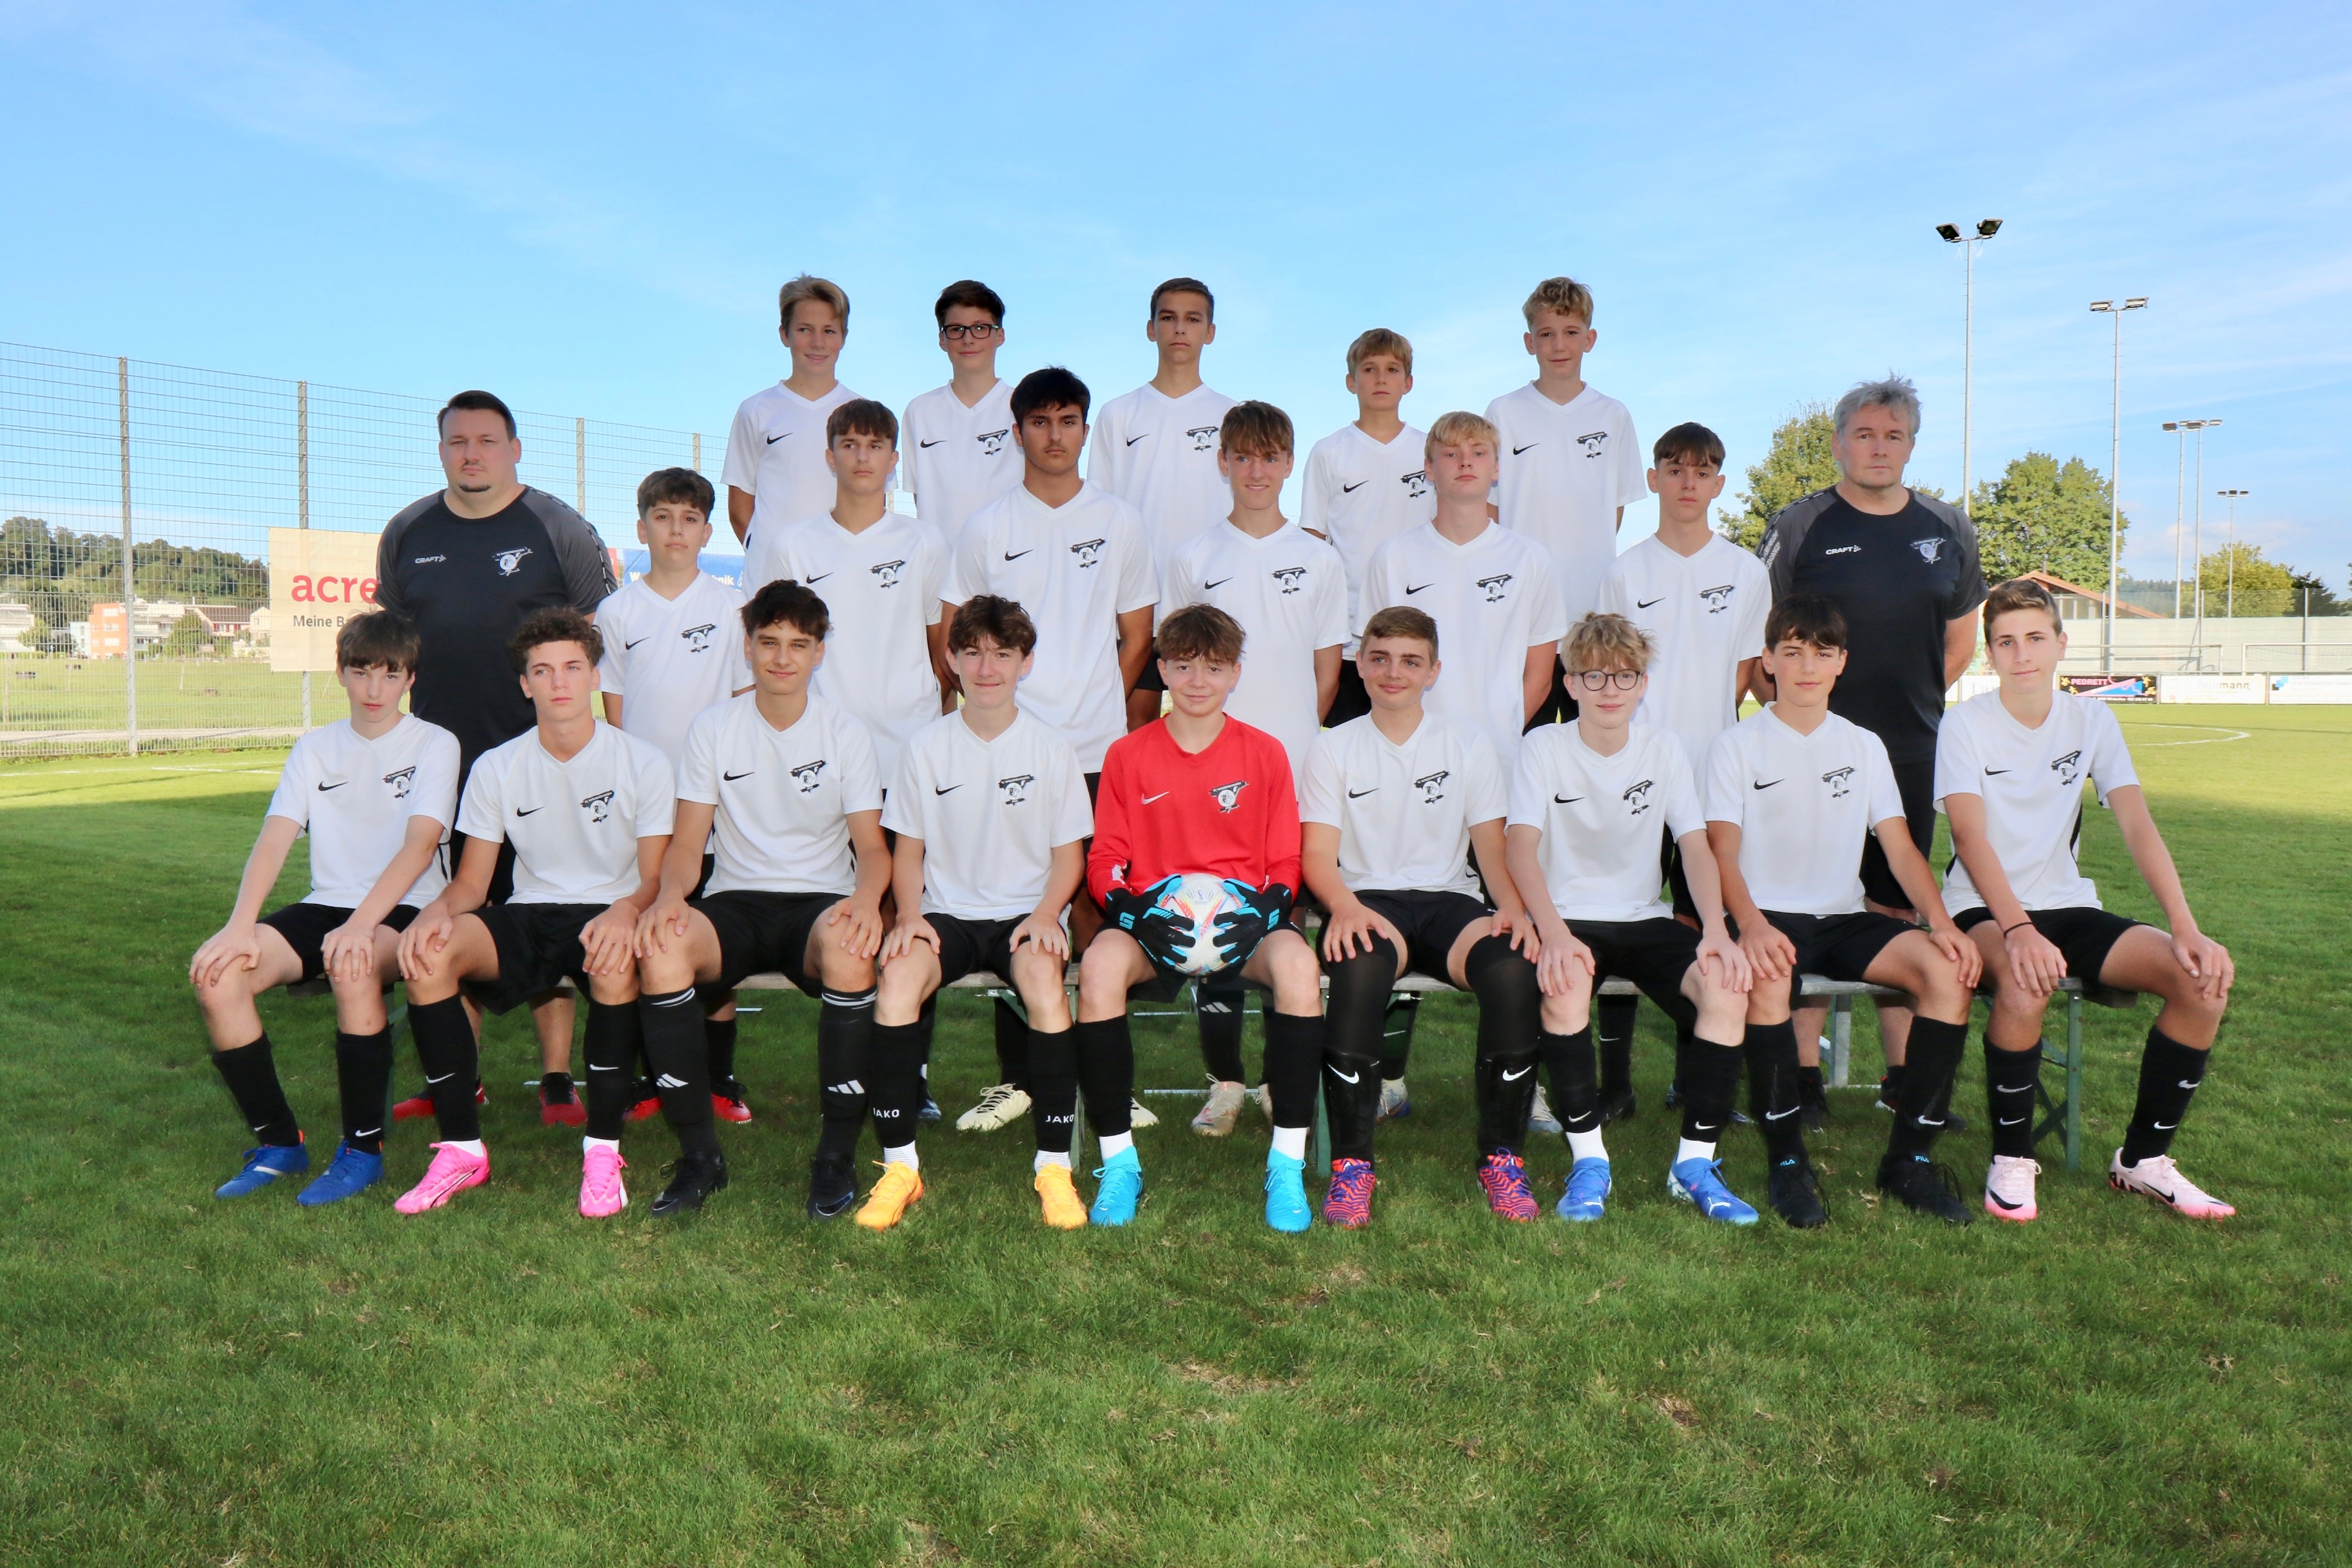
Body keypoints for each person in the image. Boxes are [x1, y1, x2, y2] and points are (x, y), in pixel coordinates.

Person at [1939, 577, 2236, 1222]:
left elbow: (2137, 824)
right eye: (2006, 641)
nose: (2022, 654)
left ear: (2061, 643)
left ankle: (2143, 1161)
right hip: (1982, 906)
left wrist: (2185, 926)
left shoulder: (2092, 719)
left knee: (2201, 981)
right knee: (2027, 980)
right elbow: (1968, 836)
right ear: (1989, 652)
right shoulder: (1964, 723)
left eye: (2035, 638)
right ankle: (2012, 1157)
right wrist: (2018, 930)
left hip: (2069, 906)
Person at [1704, 594, 1983, 1229]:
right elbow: (1722, 852)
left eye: (1821, 653)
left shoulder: (1862, 745)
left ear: (1841, 663)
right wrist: (1752, 925)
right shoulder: (1736, 746)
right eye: (1793, 652)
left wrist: (1941, 923)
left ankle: (1909, 1161)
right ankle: (1787, 1162)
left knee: (1948, 972)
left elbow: (1900, 848)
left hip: (1843, 916)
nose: (1807, 666)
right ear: (1768, 660)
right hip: (1768, 915)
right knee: (1768, 977)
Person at [375, 389, 616, 1124]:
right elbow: (394, 645)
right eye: (458, 442)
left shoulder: (556, 526)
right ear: (441, 451)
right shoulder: (407, 531)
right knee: (453, 910)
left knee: (546, 904)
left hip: (539, 762)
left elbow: (596, 634)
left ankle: (556, 1078)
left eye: (486, 440)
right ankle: (459, 1076)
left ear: (514, 449)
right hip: (443, 765)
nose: (471, 454)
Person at [392, 608, 674, 1217]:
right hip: (531, 910)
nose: (559, 682)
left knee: (611, 963)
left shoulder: (643, 761)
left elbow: (657, 877)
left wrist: (626, 911)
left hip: (611, 911)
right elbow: (472, 883)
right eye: (542, 671)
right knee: (430, 956)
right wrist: (434, 913)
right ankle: (462, 1150)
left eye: (572, 667)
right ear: (525, 684)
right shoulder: (498, 765)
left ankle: (602, 1151)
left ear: (595, 675)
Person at [1758, 375, 1986, 1121]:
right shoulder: (1801, 524)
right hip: (1806, 754)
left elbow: (1961, 638)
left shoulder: (1948, 527)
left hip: (1911, 751)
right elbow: (1760, 639)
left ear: (1912, 445)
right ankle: (1802, 1077)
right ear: (1838, 443)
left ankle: (1900, 1075)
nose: (1879, 447)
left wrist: (1910, 705)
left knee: (1894, 908)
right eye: (1865, 434)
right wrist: (1801, 724)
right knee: (1808, 904)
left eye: (1893, 435)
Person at [942, 367, 1158, 1134]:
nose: (1054, 434)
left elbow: (1138, 635)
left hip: (1095, 746)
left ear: (1085, 430)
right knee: (1018, 906)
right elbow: (955, 633)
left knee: (1095, 910)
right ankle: (1020, 1080)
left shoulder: (1121, 521)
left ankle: (1104, 1080)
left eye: (1068, 420)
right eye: (1040, 421)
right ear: (1018, 431)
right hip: (1007, 745)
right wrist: (1005, 714)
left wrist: (1092, 704)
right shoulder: (986, 527)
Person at [632, 580, 890, 1219]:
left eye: (798, 645)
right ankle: (700, 1157)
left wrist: (866, 900)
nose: (782, 657)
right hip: (736, 902)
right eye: (769, 642)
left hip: (819, 903)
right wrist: (670, 895)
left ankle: (835, 1157)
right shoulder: (714, 727)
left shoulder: (847, 733)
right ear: (747, 647)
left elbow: (873, 848)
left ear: (819, 653)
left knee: (851, 949)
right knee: (662, 950)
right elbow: (687, 844)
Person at [190, 611, 458, 1206]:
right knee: (217, 976)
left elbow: (420, 846)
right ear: (340, 673)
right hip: (327, 905)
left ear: (410, 678)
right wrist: (239, 926)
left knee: (352, 964)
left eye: (390, 675)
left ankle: (362, 1152)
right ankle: (279, 1144)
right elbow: (275, 838)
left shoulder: (436, 743)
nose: (374, 689)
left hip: (407, 907)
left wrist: (362, 925)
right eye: (361, 672)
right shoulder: (315, 748)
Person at [1504, 613, 1758, 1225]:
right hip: (1568, 918)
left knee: (1726, 988)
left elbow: (1694, 844)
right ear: (1571, 684)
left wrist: (1716, 931)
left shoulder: (1663, 748)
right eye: (1594, 676)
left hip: (1645, 919)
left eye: (1624, 676)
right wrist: (1553, 933)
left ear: (1644, 684)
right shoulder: (1543, 746)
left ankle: (1694, 1165)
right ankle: (1590, 1161)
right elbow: (1519, 846)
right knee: (1564, 987)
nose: (1609, 689)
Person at [1079, 604, 1323, 1232]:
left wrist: (1267, 909)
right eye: (1183, 666)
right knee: (1100, 968)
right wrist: (1131, 911)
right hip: (1157, 921)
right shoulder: (1128, 754)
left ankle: (1287, 1166)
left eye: (1213, 668)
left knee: (1299, 967)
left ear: (1236, 673)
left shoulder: (1265, 753)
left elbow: (1285, 859)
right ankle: (1119, 1163)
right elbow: (1105, 858)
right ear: (1161, 669)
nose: (1196, 681)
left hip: (1243, 922)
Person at [1299, 605, 1542, 1227]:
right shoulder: (1332, 747)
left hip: (1449, 903)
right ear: (1359, 664)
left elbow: (1491, 848)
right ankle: (1353, 1167)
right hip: (1368, 901)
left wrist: (1513, 911)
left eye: (1411, 661)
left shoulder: (1467, 742)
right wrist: (1343, 907)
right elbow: (1317, 857)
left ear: (1433, 671)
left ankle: (1503, 1159)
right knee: (1358, 968)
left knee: (1512, 968)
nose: (1394, 672)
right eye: (1380, 658)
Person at [868, 597, 1096, 1230]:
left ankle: (1055, 1168)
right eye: (972, 652)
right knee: (897, 982)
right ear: (951, 659)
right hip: (945, 914)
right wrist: (908, 915)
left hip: (1025, 913)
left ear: (1026, 662)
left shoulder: (1052, 748)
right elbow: (907, 850)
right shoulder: (924, 747)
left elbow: (1069, 856)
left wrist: (1048, 914)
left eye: (1002, 653)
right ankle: (900, 1168)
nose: (986, 667)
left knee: (1045, 984)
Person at [1159, 401, 1346, 1135]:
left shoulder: (1320, 558)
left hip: (1288, 765)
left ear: (1288, 464)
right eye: (1243, 457)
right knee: (1209, 908)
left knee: (1280, 921)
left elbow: (1326, 673)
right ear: (1223, 462)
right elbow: (1179, 663)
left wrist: (1285, 742)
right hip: (1207, 766)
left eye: (1270, 457)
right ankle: (1226, 1081)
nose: (1256, 471)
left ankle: (1276, 1078)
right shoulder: (1193, 557)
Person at [1592, 422, 1770, 1122]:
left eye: (1702, 471)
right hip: (1632, 773)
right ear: (1654, 479)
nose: (1687, 482)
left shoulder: (1746, 572)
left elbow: (1743, 673)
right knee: (1624, 914)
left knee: (1704, 924)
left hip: (1710, 778)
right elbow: (1610, 669)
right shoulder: (1625, 571)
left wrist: (1704, 740)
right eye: (1674, 468)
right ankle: (1614, 1084)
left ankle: (1695, 1079)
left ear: (1719, 483)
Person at [596, 467, 754, 1119]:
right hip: (645, 807)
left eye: (690, 519)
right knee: (644, 932)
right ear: (642, 528)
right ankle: (651, 1078)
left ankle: (718, 1077)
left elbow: (745, 701)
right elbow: (615, 712)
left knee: (706, 935)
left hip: (712, 804)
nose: (676, 530)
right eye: (663, 517)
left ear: (708, 532)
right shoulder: (617, 612)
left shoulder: (732, 607)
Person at [745, 398, 954, 786]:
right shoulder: (792, 545)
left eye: (875, 446)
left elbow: (941, 651)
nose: (862, 457)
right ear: (831, 457)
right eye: (849, 444)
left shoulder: (926, 542)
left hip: (907, 751)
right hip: (819, 752)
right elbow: (774, 651)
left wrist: (917, 714)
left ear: (893, 460)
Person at [1358, 411, 1566, 782]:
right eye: (1451, 453)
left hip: (1499, 761)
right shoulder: (1392, 558)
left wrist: (1499, 736)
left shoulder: (1530, 559)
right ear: (1429, 468)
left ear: (1496, 468)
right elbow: (1375, 666)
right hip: (1406, 761)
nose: (1466, 462)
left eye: (1478, 453)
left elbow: (1539, 675)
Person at [1485, 277, 1646, 715]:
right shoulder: (1503, 412)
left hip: (1589, 615)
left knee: (1590, 740)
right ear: (1529, 342)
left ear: (1589, 339)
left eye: (1571, 332)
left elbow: (1614, 510)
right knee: (1520, 737)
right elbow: (1490, 509)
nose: (1559, 345)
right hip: (1522, 612)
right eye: (1546, 334)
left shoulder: (1613, 415)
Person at [1088, 277, 1237, 731]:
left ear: (1210, 331)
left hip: (1210, 593)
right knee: (1133, 730)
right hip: (1136, 601)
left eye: (1193, 319)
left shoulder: (1231, 415)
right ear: (1151, 328)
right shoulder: (1117, 414)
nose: (1180, 329)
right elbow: (1099, 512)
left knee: (1212, 728)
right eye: (1168, 318)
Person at [1301, 328, 1436, 727]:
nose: (1380, 379)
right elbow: (1311, 542)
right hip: (1347, 637)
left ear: (1408, 382)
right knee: (1348, 747)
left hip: (1417, 628)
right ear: (1351, 381)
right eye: (1369, 369)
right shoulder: (1329, 452)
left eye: (1392, 370)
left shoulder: (1432, 451)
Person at [724, 275, 861, 551]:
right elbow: (740, 508)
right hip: (773, 573)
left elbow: (872, 505)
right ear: (784, 334)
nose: (818, 343)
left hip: (842, 570)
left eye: (829, 331)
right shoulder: (755, 410)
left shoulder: (863, 415)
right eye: (805, 330)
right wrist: (766, 559)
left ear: (843, 337)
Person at [902, 280, 1023, 542]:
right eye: (956, 329)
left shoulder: (1024, 408)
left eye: (980, 328)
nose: (968, 339)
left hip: (1007, 562)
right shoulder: (919, 412)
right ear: (942, 339)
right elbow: (920, 500)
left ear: (1000, 336)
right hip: (941, 565)